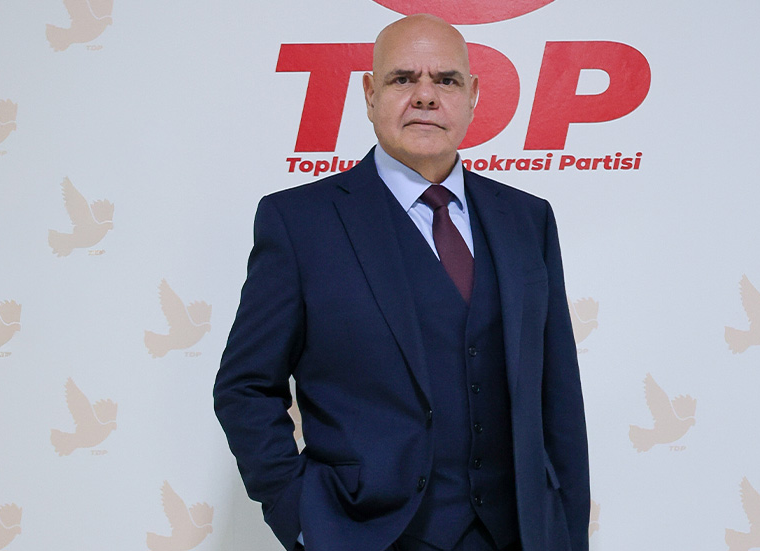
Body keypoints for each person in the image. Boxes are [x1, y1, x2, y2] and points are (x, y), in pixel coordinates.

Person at [214, 13, 589, 551]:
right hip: (363, 533)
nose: (425, 96)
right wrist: (301, 515)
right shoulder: (299, 223)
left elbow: (559, 397)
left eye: (446, 80)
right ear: (370, 94)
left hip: (515, 536)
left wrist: (566, 535)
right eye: (402, 78)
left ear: (473, 96)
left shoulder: (527, 219)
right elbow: (245, 387)